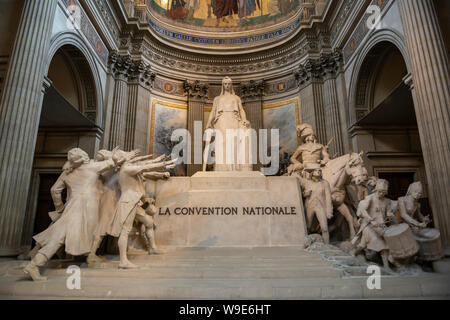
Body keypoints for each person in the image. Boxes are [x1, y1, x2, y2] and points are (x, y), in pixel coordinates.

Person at [23, 148, 117, 281]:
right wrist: (110, 154)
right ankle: (35, 264)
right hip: (87, 206)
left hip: (72, 205)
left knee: (61, 233)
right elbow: (113, 161)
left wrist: (60, 208)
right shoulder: (91, 167)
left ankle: (36, 260)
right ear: (84, 156)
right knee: (65, 234)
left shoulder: (67, 172)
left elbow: (54, 190)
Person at [107, 151, 176, 269]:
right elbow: (145, 167)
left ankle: (152, 248)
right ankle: (123, 261)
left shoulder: (127, 168)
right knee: (125, 231)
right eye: (125, 154)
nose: (128, 154)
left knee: (149, 222)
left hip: (135, 201)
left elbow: (145, 167)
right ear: (123, 158)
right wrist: (162, 164)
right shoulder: (127, 169)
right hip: (128, 202)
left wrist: (158, 162)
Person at [205, 76, 250, 171]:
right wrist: (208, 124)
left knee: (233, 142)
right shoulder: (217, 99)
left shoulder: (236, 98)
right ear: (222, 85)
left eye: (229, 84)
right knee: (221, 143)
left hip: (234, 120)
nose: (227, 85)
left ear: (231, 85)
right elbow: (213, 111)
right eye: (225, 84)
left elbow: (241, 109)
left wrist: (244, 119)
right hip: (221, 121)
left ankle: (234, 168)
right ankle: (222, 168)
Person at [352, 179, 394, 270]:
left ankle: (386, 266)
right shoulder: (370, 198)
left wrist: (391, 215)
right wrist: (371, 220)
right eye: (380, 191)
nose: (381, 194)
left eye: (383, 192)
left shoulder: (387, 201)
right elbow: (363, 211)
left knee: (384, 244)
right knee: (375, 243)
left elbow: (389, 213)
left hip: (381, 226)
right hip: (368, 225)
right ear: (376, 190)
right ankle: (353, 253)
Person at [300, 164, 333, 244]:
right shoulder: (306, 182)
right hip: (309, 206)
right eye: (316, 170)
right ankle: (305, 244)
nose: (318, 172)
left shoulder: (325, 183)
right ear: (311, 172)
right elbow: (300, 194)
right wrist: (305, 194)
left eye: (319, 171)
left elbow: (328, 198)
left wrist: (329, 211)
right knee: (307, 227)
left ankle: (327, 245)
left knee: (324, 228)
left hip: (320, 207)